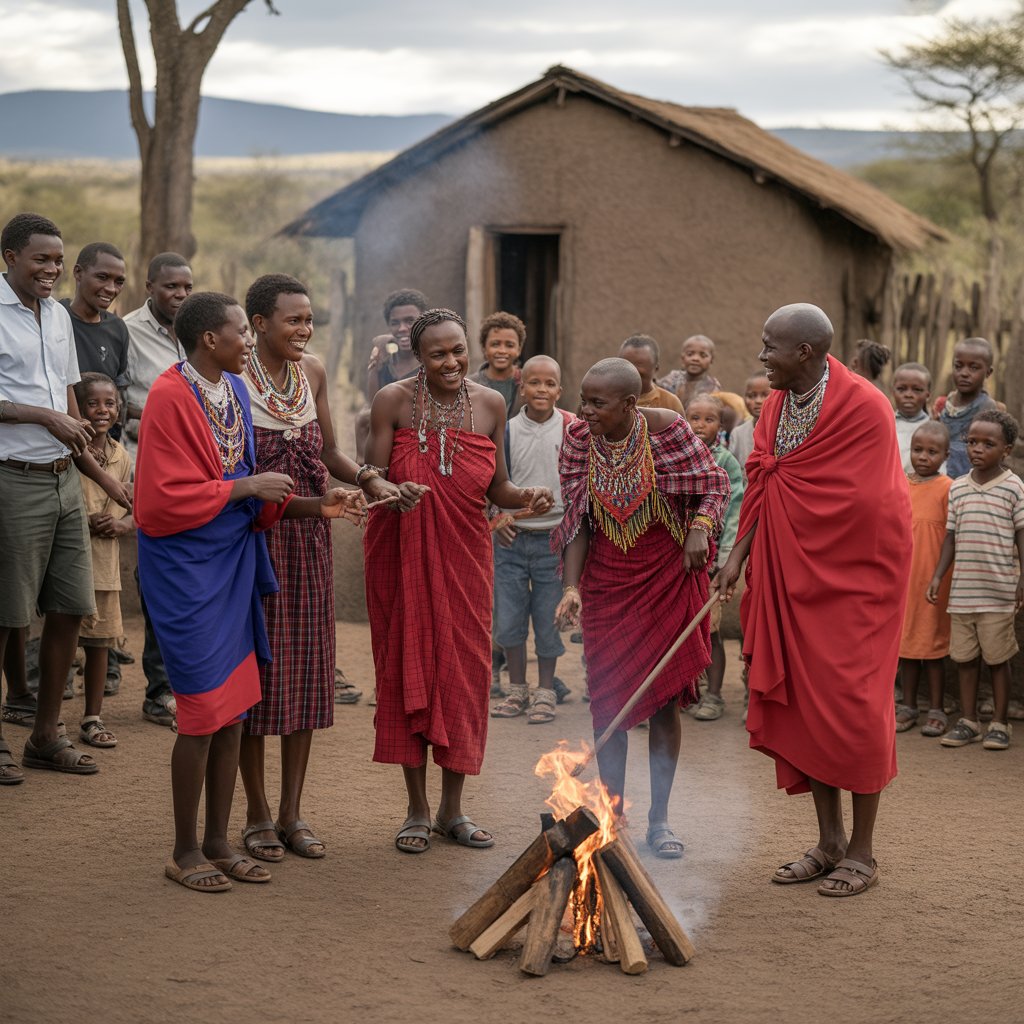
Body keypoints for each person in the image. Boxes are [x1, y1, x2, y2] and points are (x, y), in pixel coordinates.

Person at [135, 290, 365, 892]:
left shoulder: (233, 390)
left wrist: (321, 506)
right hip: (186, 567)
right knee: (202, 713)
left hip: (236, 556)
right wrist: (243, 490)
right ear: (212, 339)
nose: (247, 340)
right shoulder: (168, 394)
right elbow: (157, 502)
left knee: (236, 708)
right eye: (241, 331)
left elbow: (253, 488)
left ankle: (217, 840)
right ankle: (184, 851)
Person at [716, 303, 911, 897]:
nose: (760, 357)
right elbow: (766, 480)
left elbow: (872, 505)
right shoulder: (776, 405)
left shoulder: (865, 406)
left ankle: (864, 852)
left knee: (854, 705)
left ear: (804, 352)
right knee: (804, 702)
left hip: (856, 583)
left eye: (770, 346)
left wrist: (806, 532)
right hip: (789, 578)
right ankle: (828, 842)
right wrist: (739, 554)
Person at [363, 308, 553, 854]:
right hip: (401, 555)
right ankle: (417, 811)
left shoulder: (492, 403)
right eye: (437, 354)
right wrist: (389, 491)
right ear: (418, 357)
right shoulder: (393, 401)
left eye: (457, 351)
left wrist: (526, 498)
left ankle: (453, 810)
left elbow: (499, 488)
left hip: (467, 558)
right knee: (408, 670)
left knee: (463, 679)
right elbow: (370, 473)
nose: (450, 362)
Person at [237, 274, 400, 863]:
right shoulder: (231, 379)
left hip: (308, 540)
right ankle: (255, 813)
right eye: (293, 320)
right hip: (251, 543)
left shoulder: (315, 374)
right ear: (259, 324)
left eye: (309, 320)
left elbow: (328, 450)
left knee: (305, 671)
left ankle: (291, 813)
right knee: (256, 675)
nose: (304, 330)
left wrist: (368, 477)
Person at [553, 358, 729, 858]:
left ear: (632, 404)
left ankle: (660, 820)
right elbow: (577, 520)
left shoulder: (668, 430)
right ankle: (613, 815)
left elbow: (714, 485)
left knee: (664, 700)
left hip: (668, 578)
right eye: (583, 399)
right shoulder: (578, 439)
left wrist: (699, 529)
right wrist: (572, 588)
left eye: (597, 403)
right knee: (607, 701)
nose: (584, 411)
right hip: (608, 583)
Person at [0, 212, 132, 783]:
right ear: (9, 257)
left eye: (57, 260)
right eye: (40, 259)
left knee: (71, 606)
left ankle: (46, 737)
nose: (51, 269)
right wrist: (41, 415)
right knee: (7, 617)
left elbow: (71, 408)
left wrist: (108, 482)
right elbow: (52, 411)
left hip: (63, 482)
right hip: (12, 477)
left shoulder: (56, 317)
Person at [124, 251, 194, 729]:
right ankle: (159, 689)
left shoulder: (200, 332)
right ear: (149, 286)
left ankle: (186, 685)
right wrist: (165, 416)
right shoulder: (126, 331)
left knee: (188, 577)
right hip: (147, 467)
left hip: (198, 471)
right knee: (155, 577)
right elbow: (112, 396)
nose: (180, 296)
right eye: (171, 287)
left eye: (187, 288)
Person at [928, 410, 1024, 753]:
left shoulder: (1013, 487)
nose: (977, 449)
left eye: (988, 443)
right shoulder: (958, 489)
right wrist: (938, 575)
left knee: (998, 660)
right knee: (965, 660)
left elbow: (1021, 535)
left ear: (1007, 449)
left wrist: (1021, 580)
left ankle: (1000, 723)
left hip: (997, 593)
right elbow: (950, 537)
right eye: (971, 442)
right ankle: (969, 720)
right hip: (963, 593)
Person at [62, 241, 133, 696]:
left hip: (106, 451)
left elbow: (120, 393)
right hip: (64, 450)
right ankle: (47, 673)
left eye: (118, 281)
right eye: (101, 277)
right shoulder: (55, 322)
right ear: (78, 273)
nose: (109, 288)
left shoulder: (116, 330)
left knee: (104, 575)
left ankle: (100, 666)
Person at [489, 355, 572, 725]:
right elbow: (491, 483)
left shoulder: (572, 428)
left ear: (559, 389)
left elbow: (579, 483)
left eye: (549, 384)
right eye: (534, 383)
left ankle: (545, 691)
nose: (542, 390)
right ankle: (517, 689)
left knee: (547, 619)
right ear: (521, 387)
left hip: (553, 541)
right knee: (508, 620)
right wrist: (496, 516)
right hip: (510, 538)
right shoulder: (505, 430)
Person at [72, 372, 133, 750]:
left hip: (106, 566)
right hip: (71, 561)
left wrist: (121, 525)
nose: (102, 410)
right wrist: (83, 521)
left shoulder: (122, 456)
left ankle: (92, 718)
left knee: (99, 647)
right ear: (76, 408)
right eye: (92, 403)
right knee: (62, 644)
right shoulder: (66, 449)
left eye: (109, 403)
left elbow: (131, 507)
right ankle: (44, 715)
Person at [684, 394, 744, 722]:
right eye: (694, 417)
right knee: (682, 629)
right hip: (679, 561)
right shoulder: (676, 458)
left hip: (710, 561)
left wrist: (724, 560)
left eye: (709, 420)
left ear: (720, 426)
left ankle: (715, 695)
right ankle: (687, 690)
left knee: (712, 630)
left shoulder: (726, 463)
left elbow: (734, 512)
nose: (701, 425)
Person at [897, 421, 952, 738]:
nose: (923, 457)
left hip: (934, 582)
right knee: (905, 645)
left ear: (945, 454)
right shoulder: (903, 484)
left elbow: (952, 537)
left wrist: (940, 576)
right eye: (918, 450)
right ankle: (907, 705)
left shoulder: (948, 488)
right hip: (905, 581)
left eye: (932, 452)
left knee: (932, 648)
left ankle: (936, 708)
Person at [355, 289, 430, 464]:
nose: (402, 328)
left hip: (422, 444)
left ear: (424, 322)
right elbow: (374, 404)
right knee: (363, 417)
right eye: (395, 323)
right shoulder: (384, 362)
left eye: (410, 321)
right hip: (386, 444)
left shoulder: (431, 362)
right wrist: (375, 365)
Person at [939, 338, 997, 479]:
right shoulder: (946, 403)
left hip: (967, 480)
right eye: (958, 366)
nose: (964, 373)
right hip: (939, 475)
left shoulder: (986, 407)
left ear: (988, 373)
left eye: (973, 368)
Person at [469, 311, 525, 417]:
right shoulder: (470, 385)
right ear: (484, 348)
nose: (502, 350)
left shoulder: (529, 383)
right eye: (495, 344)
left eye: (509, 345)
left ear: (519, 349)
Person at [619, 334, 683, 413]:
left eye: (639, 364)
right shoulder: (610, 399)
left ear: (656, 369)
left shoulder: (669, 403)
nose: (632, 370)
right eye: (626, 364)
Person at [892, 362, 935, 474]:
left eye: (916, 390)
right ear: (893, 392)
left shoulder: (934, 430)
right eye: (902, 389)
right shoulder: (886, 424)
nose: (908, 395)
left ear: (928, 395)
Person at [658, 334, 722, 407]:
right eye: (690, 354)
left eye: (703, 355)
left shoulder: (712, 387)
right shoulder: (673, 378)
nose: (695, 358)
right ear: (682, 358)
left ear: (711, 360)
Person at [728, 370, 770, 478]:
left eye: (765, 395)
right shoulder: (738, 434)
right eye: (752, 396)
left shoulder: (783, 431)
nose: (758, 401)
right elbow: (733, 472)